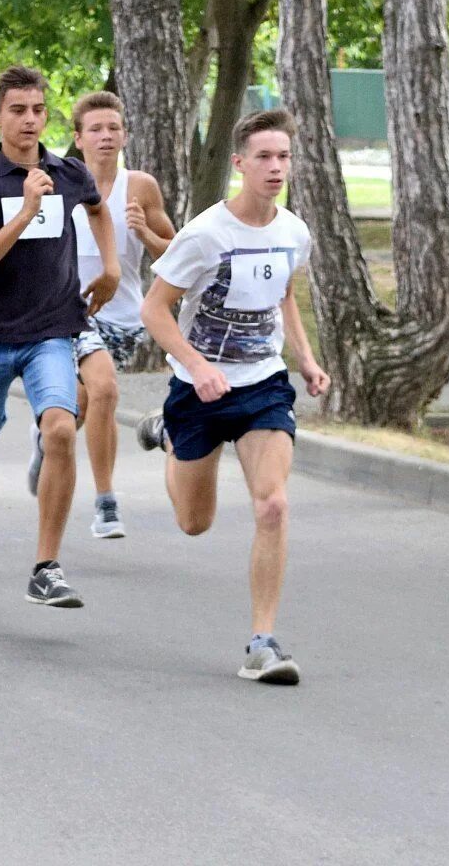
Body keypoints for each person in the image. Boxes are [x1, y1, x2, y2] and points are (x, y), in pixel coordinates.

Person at [136, 107, 328, 686]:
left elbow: (285, 295)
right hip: (199, 390)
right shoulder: (205, 235)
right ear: (239, 164)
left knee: (273, 505)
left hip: (264, 386)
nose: (275, 168)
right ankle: (170, 432)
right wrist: (195, 367)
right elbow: (154, 308)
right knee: (195, 523)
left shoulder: (293, 232)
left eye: (283, 157)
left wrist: (306, 358)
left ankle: (262, 643)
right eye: (263, 157)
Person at [0, 66, 118, 608]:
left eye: (38, 110)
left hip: (51, 329)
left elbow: (97, 209)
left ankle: (46, 566)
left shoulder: (67, 172)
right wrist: (24, 213)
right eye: (18, 110)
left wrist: (110, 267)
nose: (30, 120)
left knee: (61, 431)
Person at [42, 91, 178, 539]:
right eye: (95, 129)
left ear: (124, 135)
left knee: (80, 406)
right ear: (77, 138)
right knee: (104, 390)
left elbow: (176, 256)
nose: (105, 137)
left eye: (113, 128)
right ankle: (106, 503)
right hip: (67, 310)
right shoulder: (55, 181)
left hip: (122, 317)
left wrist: (144, 232)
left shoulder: (140, 187)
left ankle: (46, 440)